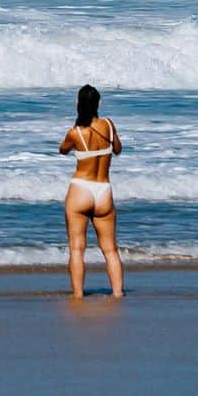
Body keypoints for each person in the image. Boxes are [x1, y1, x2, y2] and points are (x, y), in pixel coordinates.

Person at [58, 84, 124, 298]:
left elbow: (63, 150)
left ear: (78, 104)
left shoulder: (76, 132)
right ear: (98, 104)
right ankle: (117, 293)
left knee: (77, 248)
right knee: (111, 249)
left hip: (80, 189)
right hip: (104, 190)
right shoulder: (108, 125)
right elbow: (118, 150)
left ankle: (78, 295)